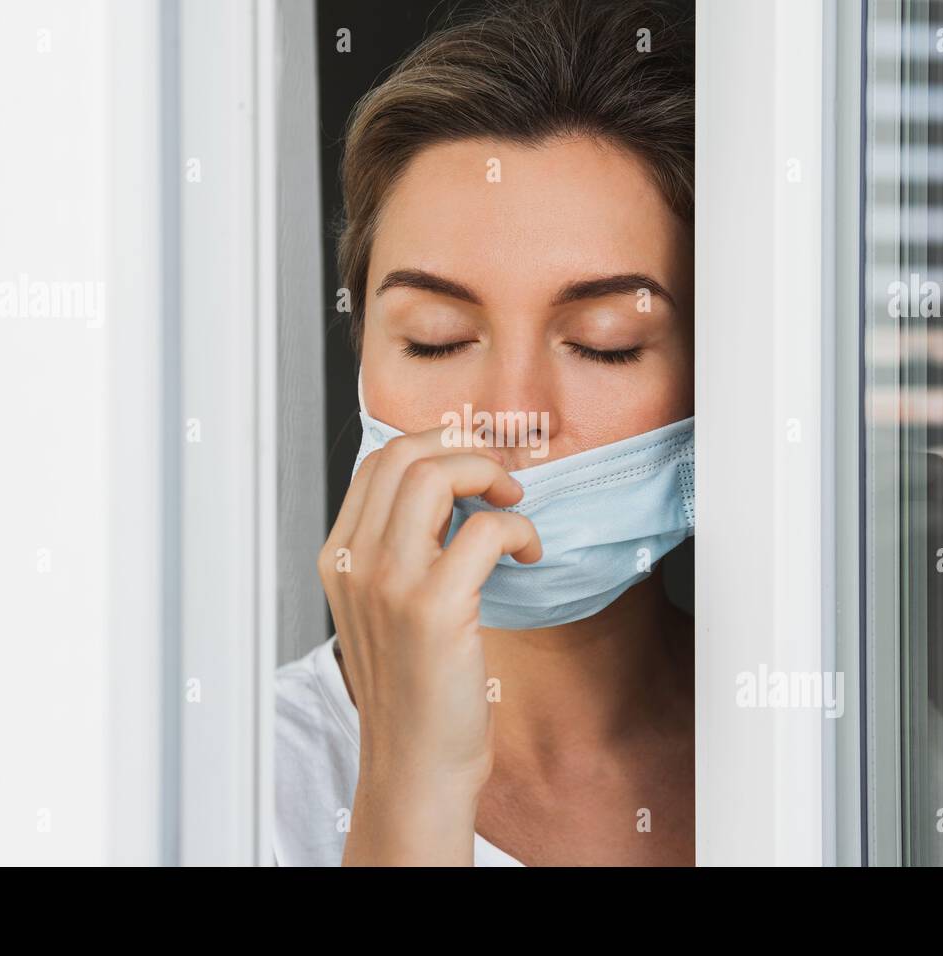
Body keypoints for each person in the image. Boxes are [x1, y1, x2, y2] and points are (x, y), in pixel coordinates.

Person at [273, 0, 695, 866]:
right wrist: (405, 784)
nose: (507, 414)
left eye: (603, 345)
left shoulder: (843, 736)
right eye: (436, 338)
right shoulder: (227, 790)